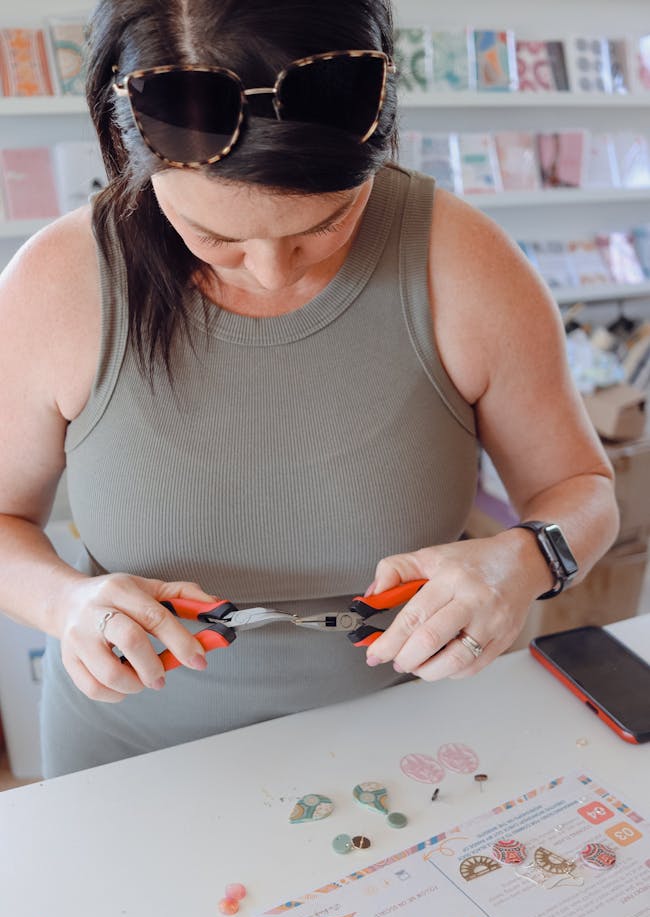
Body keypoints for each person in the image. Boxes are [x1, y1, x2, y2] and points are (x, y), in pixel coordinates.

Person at [0, 0, 618, 778]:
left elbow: (583, 488)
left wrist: (523, 563)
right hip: (134, 762)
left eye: (325, 225)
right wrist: (65, 605)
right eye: (216, 238)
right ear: (132, 159)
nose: (273, 273)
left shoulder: (466, 263)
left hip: (415, 745)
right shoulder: (54, 285)